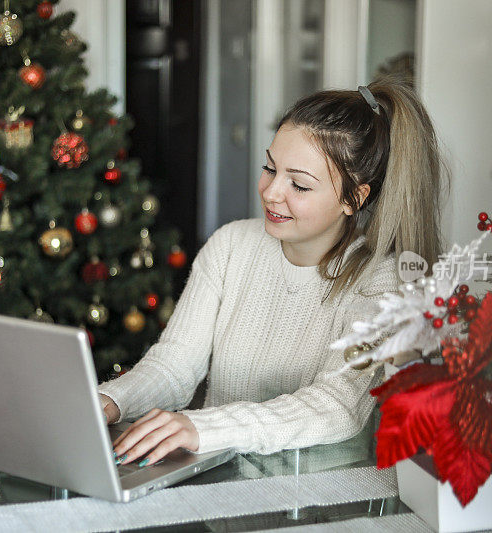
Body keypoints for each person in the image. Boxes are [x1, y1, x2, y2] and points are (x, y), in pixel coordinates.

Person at [98, 76, 445, 468]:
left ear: (354, 197)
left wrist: (203, 428)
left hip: (315, 499)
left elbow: (337, 404)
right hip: (219, 477)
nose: (270, 191)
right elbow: (176, 363)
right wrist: (111, 401)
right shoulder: (231, 246)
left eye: (298, 184)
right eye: (270, 168)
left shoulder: (382, 282)